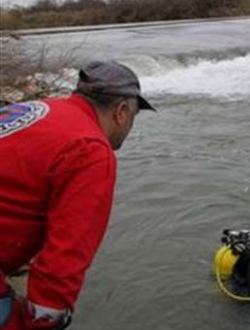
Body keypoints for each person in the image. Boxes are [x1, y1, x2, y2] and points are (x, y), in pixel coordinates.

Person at [0, 61, 155, 330]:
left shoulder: (39, 108)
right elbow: (66, 256)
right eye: (133, 117)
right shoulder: (89, 148)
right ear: (121, 112)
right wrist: (44, 320)